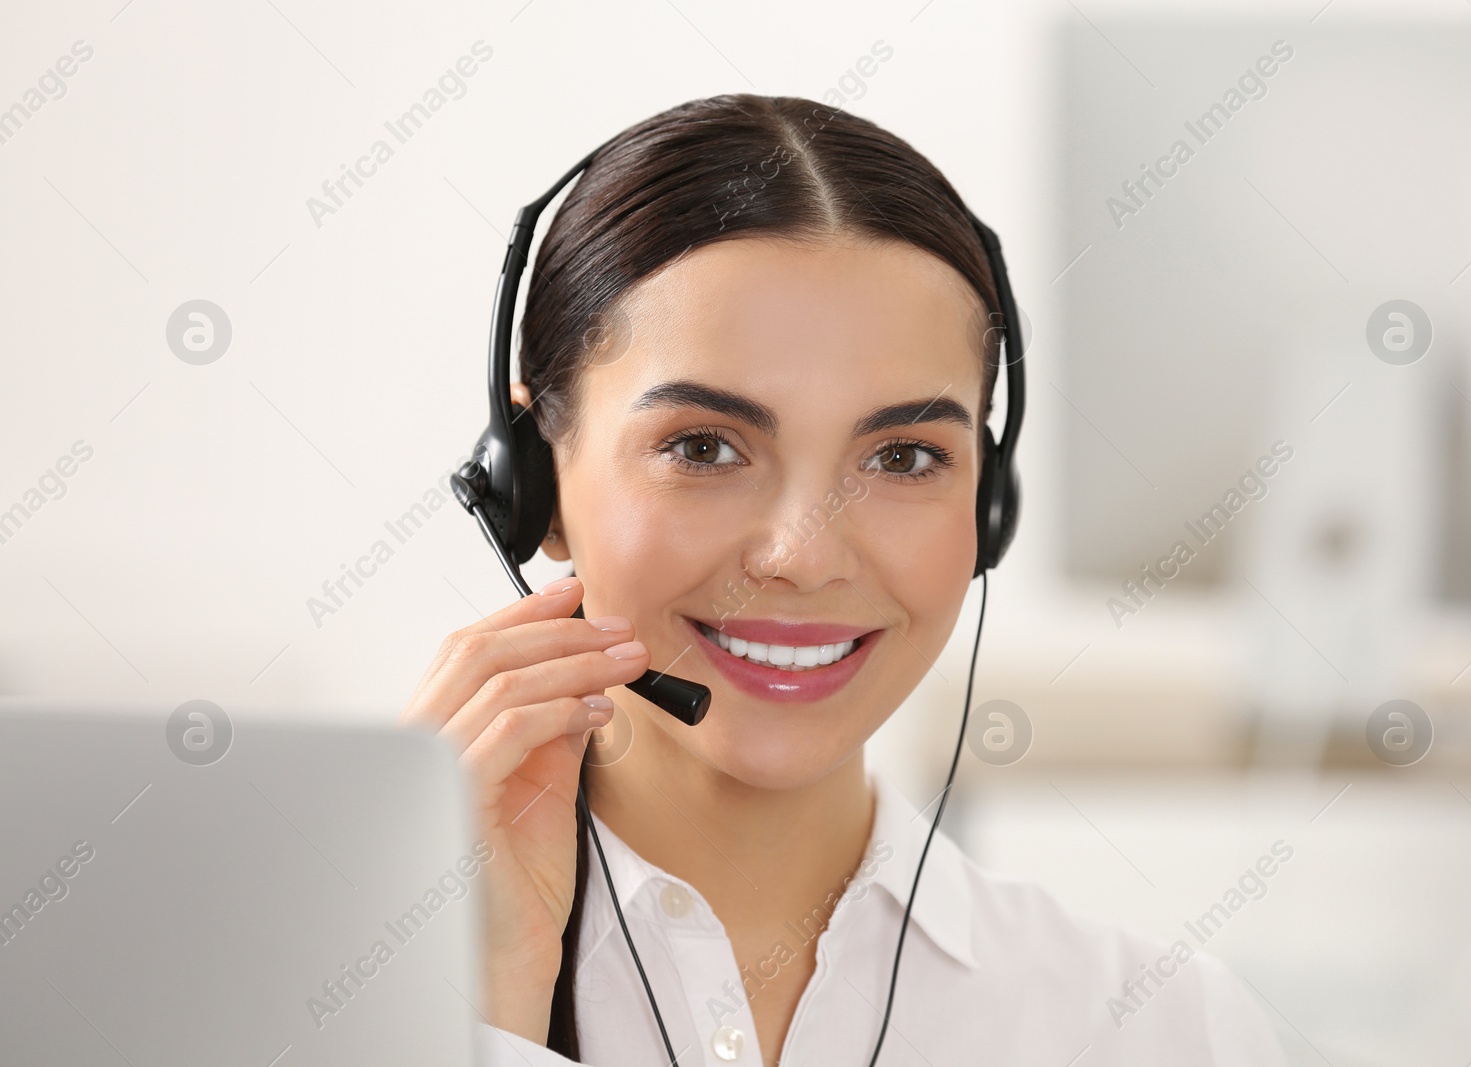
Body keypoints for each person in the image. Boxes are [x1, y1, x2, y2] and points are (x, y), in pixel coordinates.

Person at [398, 93, 1285, 1067]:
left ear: (988, 509)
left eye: (903, 457)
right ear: (529, 486)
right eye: (703, 446)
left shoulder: (1161, 1028)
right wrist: (477, 1013)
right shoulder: (314, 991)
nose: (802, 554)